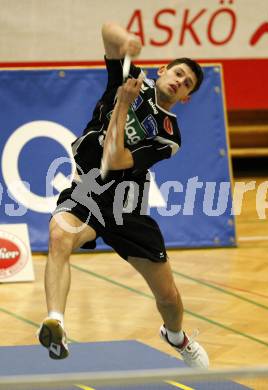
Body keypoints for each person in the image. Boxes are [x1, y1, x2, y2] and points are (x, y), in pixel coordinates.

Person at [38, 22, 209, 369]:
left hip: (125, 209)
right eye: (177, 73)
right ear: (162, 70)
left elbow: (115, 160)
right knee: (59, 236)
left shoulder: (169, 135)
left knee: (168, 297)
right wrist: (128, 42)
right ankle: (55, 322)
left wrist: (122, 105)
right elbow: (106, 31)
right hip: (87, 193)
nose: (179, 81)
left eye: (186, 83)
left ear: (185, 97)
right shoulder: (130, 77)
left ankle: (176, 336)